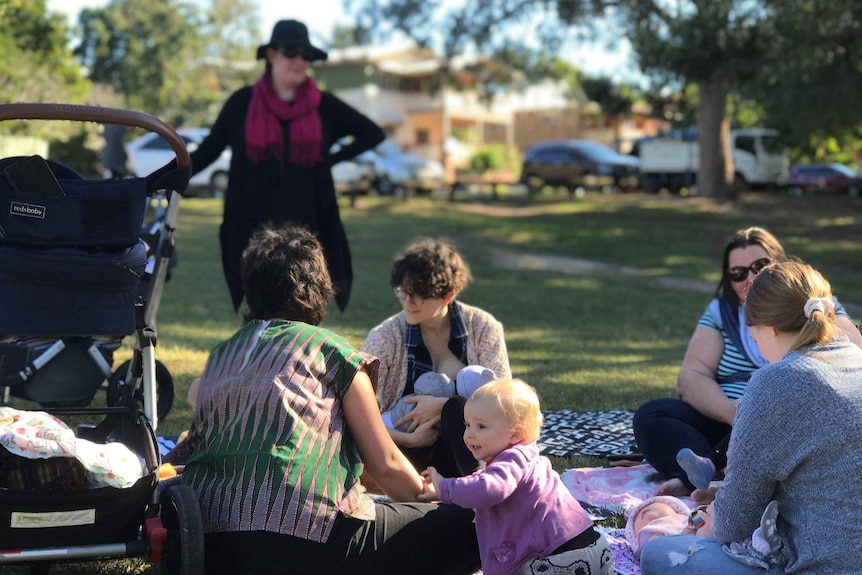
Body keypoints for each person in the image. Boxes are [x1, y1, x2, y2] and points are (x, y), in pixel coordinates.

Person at [180, 223, 480, 575]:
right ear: (319, 287)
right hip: (308, 539)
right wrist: (434, 499)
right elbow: (385, 464)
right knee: (472, 524)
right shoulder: (331, 351)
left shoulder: (222, 356)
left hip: (211, 548)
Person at [640, 260, 862, 574]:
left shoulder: (775, 382)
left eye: (754, 338)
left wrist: (717, 516)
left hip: (820, 562)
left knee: (659, 553)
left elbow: (732, 526)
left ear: (767, 327)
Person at [632, 227, 862, 495]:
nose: (750, 278)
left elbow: (852, 364)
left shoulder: (817, 308)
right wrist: (735, 413)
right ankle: (711, 472)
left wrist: (758, 412)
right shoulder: (721, 313)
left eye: (760, 266)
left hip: (791, 418)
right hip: (727, 419)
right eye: (738, 273)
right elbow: (692, 375)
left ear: (780, 265)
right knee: (653, 416)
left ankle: (715, 479)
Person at [187, 19, 384, 314]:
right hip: (254, 226)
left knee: (304, 305)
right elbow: (209, 150)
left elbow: (372, 133)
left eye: (307, 56)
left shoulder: (323, 107)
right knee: (260, 309)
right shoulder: (242, 104)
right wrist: (162, 178)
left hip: (308, 226)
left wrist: (330, 159)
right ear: (271, 55)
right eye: (291, 52)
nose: (300, 61)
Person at [420, 378, 613, 575]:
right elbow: (483, 482)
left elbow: (487, 489)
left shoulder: (514, 459)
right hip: (592, 549)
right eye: (467, 424)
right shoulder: (525, 457)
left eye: (481, 426)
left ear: (514, 434)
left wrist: (444, 487)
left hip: (563, 556)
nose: (469, 434)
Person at [362, 238, 512, 477]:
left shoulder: (483, 328)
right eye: (402, 291)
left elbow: (505, 402)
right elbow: (357, 415)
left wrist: (443, 407)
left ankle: (477, 488)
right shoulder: (385, 337)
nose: (407, 302)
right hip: (404, 450)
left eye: (418, 295)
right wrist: (410, 440)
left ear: (447, 295)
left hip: (473, 450)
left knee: (456, 407)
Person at [626, 496, 784, 569]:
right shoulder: (652, 532)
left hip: (708, 531)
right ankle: (758, 544)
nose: (644, 512)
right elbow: (656, 548)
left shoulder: (685, 516)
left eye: (653, 505)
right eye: (637, 520)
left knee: (715, 511)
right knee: (709, 530)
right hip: (694, 541)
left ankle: (759, 540)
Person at [387, 364, 496, 432]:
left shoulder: (439, 382)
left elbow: (421, 383)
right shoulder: (453, 410)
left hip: (396, 415)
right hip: (401, 425)